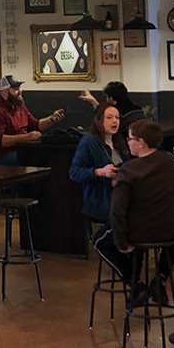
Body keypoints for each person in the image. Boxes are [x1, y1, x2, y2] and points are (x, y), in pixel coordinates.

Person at [97, 119, 174, 307]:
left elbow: (117, 211)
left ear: (141, 142)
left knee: (100, 240)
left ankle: (134, 284)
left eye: (130, 139)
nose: (127, 142)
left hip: (137, 232)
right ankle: (160, 279)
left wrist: (121, 243)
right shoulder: (169, 161)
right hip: (167, 231)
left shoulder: (129, 170)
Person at [69, 102, 124, 246]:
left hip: (121, 195)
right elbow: (74, 172)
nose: (114, 121)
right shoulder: (89, 142)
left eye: (117, 118)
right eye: (109, 117)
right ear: (99, 120)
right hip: (101, 199)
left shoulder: (119, 141)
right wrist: (99, 172)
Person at [0, 75, 65, 165]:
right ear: (5, 91)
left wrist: (52, 119)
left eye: (19, 88)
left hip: (23, 149)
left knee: (52, 156)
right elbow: (0, 141)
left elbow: (37, 125)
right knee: (38, 160)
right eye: (15, 89)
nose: (20, 91)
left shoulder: (19, 106)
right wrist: (26, 137)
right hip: (4, 156)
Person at [81, 81, 146, 135]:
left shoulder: (118, 114)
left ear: (111, 98)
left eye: (107, 97)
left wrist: (93, 101)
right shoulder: (138, 110)